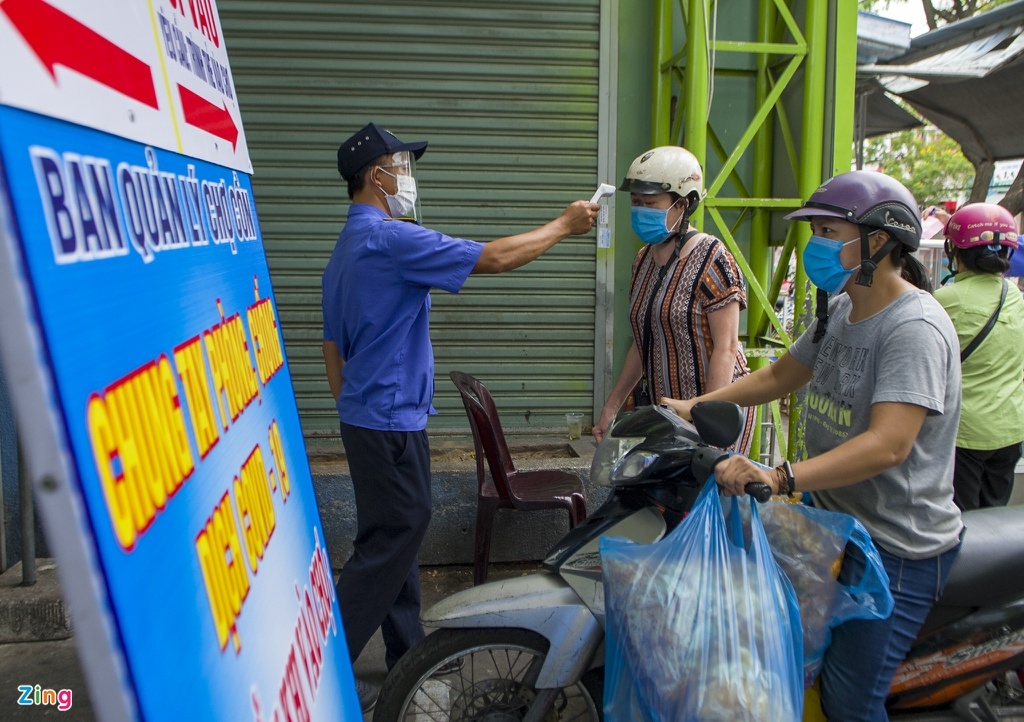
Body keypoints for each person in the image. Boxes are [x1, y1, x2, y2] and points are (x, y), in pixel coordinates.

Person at [661, 170, 964, 721]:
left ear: (876, 241)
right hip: (835, 527)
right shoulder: (843, 307)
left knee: (850, 704)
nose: (814, 244)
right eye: (815, 231)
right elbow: (781, 375)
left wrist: (779, 478)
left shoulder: (914, 327)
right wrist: (698, 405)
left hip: (895, 546)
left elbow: (888, 445)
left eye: (828, 230)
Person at [321, 122, 598, 711]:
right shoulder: (392, 240)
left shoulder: (345, 249)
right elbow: (493, 258)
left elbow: (330, 347)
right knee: (394, 537)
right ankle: (320, 672)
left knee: (393, 537)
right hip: (389, 421)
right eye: (404, 166)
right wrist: (564, 226)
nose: (410, 178)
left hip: (369, 418)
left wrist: (358, 404)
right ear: (377, 176)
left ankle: (409, 662)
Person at [591, 146, 755, 452]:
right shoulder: (643, 260)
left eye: (651, 203)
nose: (641, 210)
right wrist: (612, 407)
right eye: (636, 202)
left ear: (684, 204)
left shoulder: (712, 258)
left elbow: (726, 348)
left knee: (709, 495)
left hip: (718, 413)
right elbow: (644, 344)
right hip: (669, 414)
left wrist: (708, 420)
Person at [933, 203, 1024, 510]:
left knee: (962, 518)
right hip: (1010, 429)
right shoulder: (1014, 296)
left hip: (965, 434)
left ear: (953, 250)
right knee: (995, 517)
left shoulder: (945, 299)